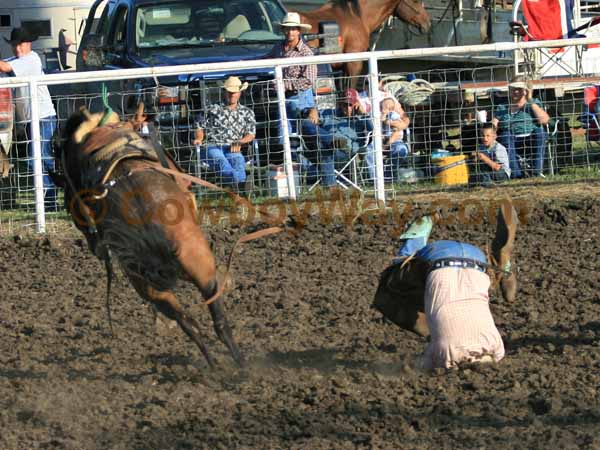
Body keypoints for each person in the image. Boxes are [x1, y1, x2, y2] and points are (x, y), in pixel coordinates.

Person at [372, 199, 519, 370]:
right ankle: (414, 239)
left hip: (477, 261)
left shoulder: (497, 349)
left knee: (480, 288)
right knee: (392, 282)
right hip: (439, 262)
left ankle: (501, 266)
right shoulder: (446, 358)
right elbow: (419, 366)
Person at [0, 27, 58, 211]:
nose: (17, 49)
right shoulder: (18, 60)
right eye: (15, 45)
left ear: (28, 44)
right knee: (41, 158)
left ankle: (49, 202)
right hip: (31, 119)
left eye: (21, 45)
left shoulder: (32, 59)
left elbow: (4, 67)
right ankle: (49, 200)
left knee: (38, 157)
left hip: (43, 117)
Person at [266, 12, 319, 159]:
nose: (290, 32)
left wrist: (284, 84)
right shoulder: (279, 48)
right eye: (287, 28)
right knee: (284, 134)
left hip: (300, 99)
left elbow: (309, 80)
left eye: (293, 29)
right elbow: (265, 59)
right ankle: (291, 167)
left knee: (304, 134)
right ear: (283, 30)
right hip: (283, 98)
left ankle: (306, 169)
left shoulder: (306, 53)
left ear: (299, 31)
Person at [193, 76, 256, 192]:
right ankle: (241, 187)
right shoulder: (211, 109)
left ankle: (237, 191)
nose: (232, 95)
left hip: (233, 147)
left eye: (234, 92)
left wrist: (239, 142)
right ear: (224, 92)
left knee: (238, 162)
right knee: (221, 161)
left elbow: (251, 134)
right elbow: (199, 125)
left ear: (240, 93)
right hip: (212, 146)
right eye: (229, 92)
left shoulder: (247, 112)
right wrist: (199, 138)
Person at [492, 76, 550, 178]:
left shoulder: (533, 103)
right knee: (505, 135)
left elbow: (544, 120)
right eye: (513, 89)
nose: (515, 92)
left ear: (525, 91)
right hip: (511, 138)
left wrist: (530, 100)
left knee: (540, 132)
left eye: (518, 89)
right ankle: (516, 174)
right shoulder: (502, 107)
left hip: (530, 137)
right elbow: (494, 124)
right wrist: (492, 129)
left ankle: (536, 172)